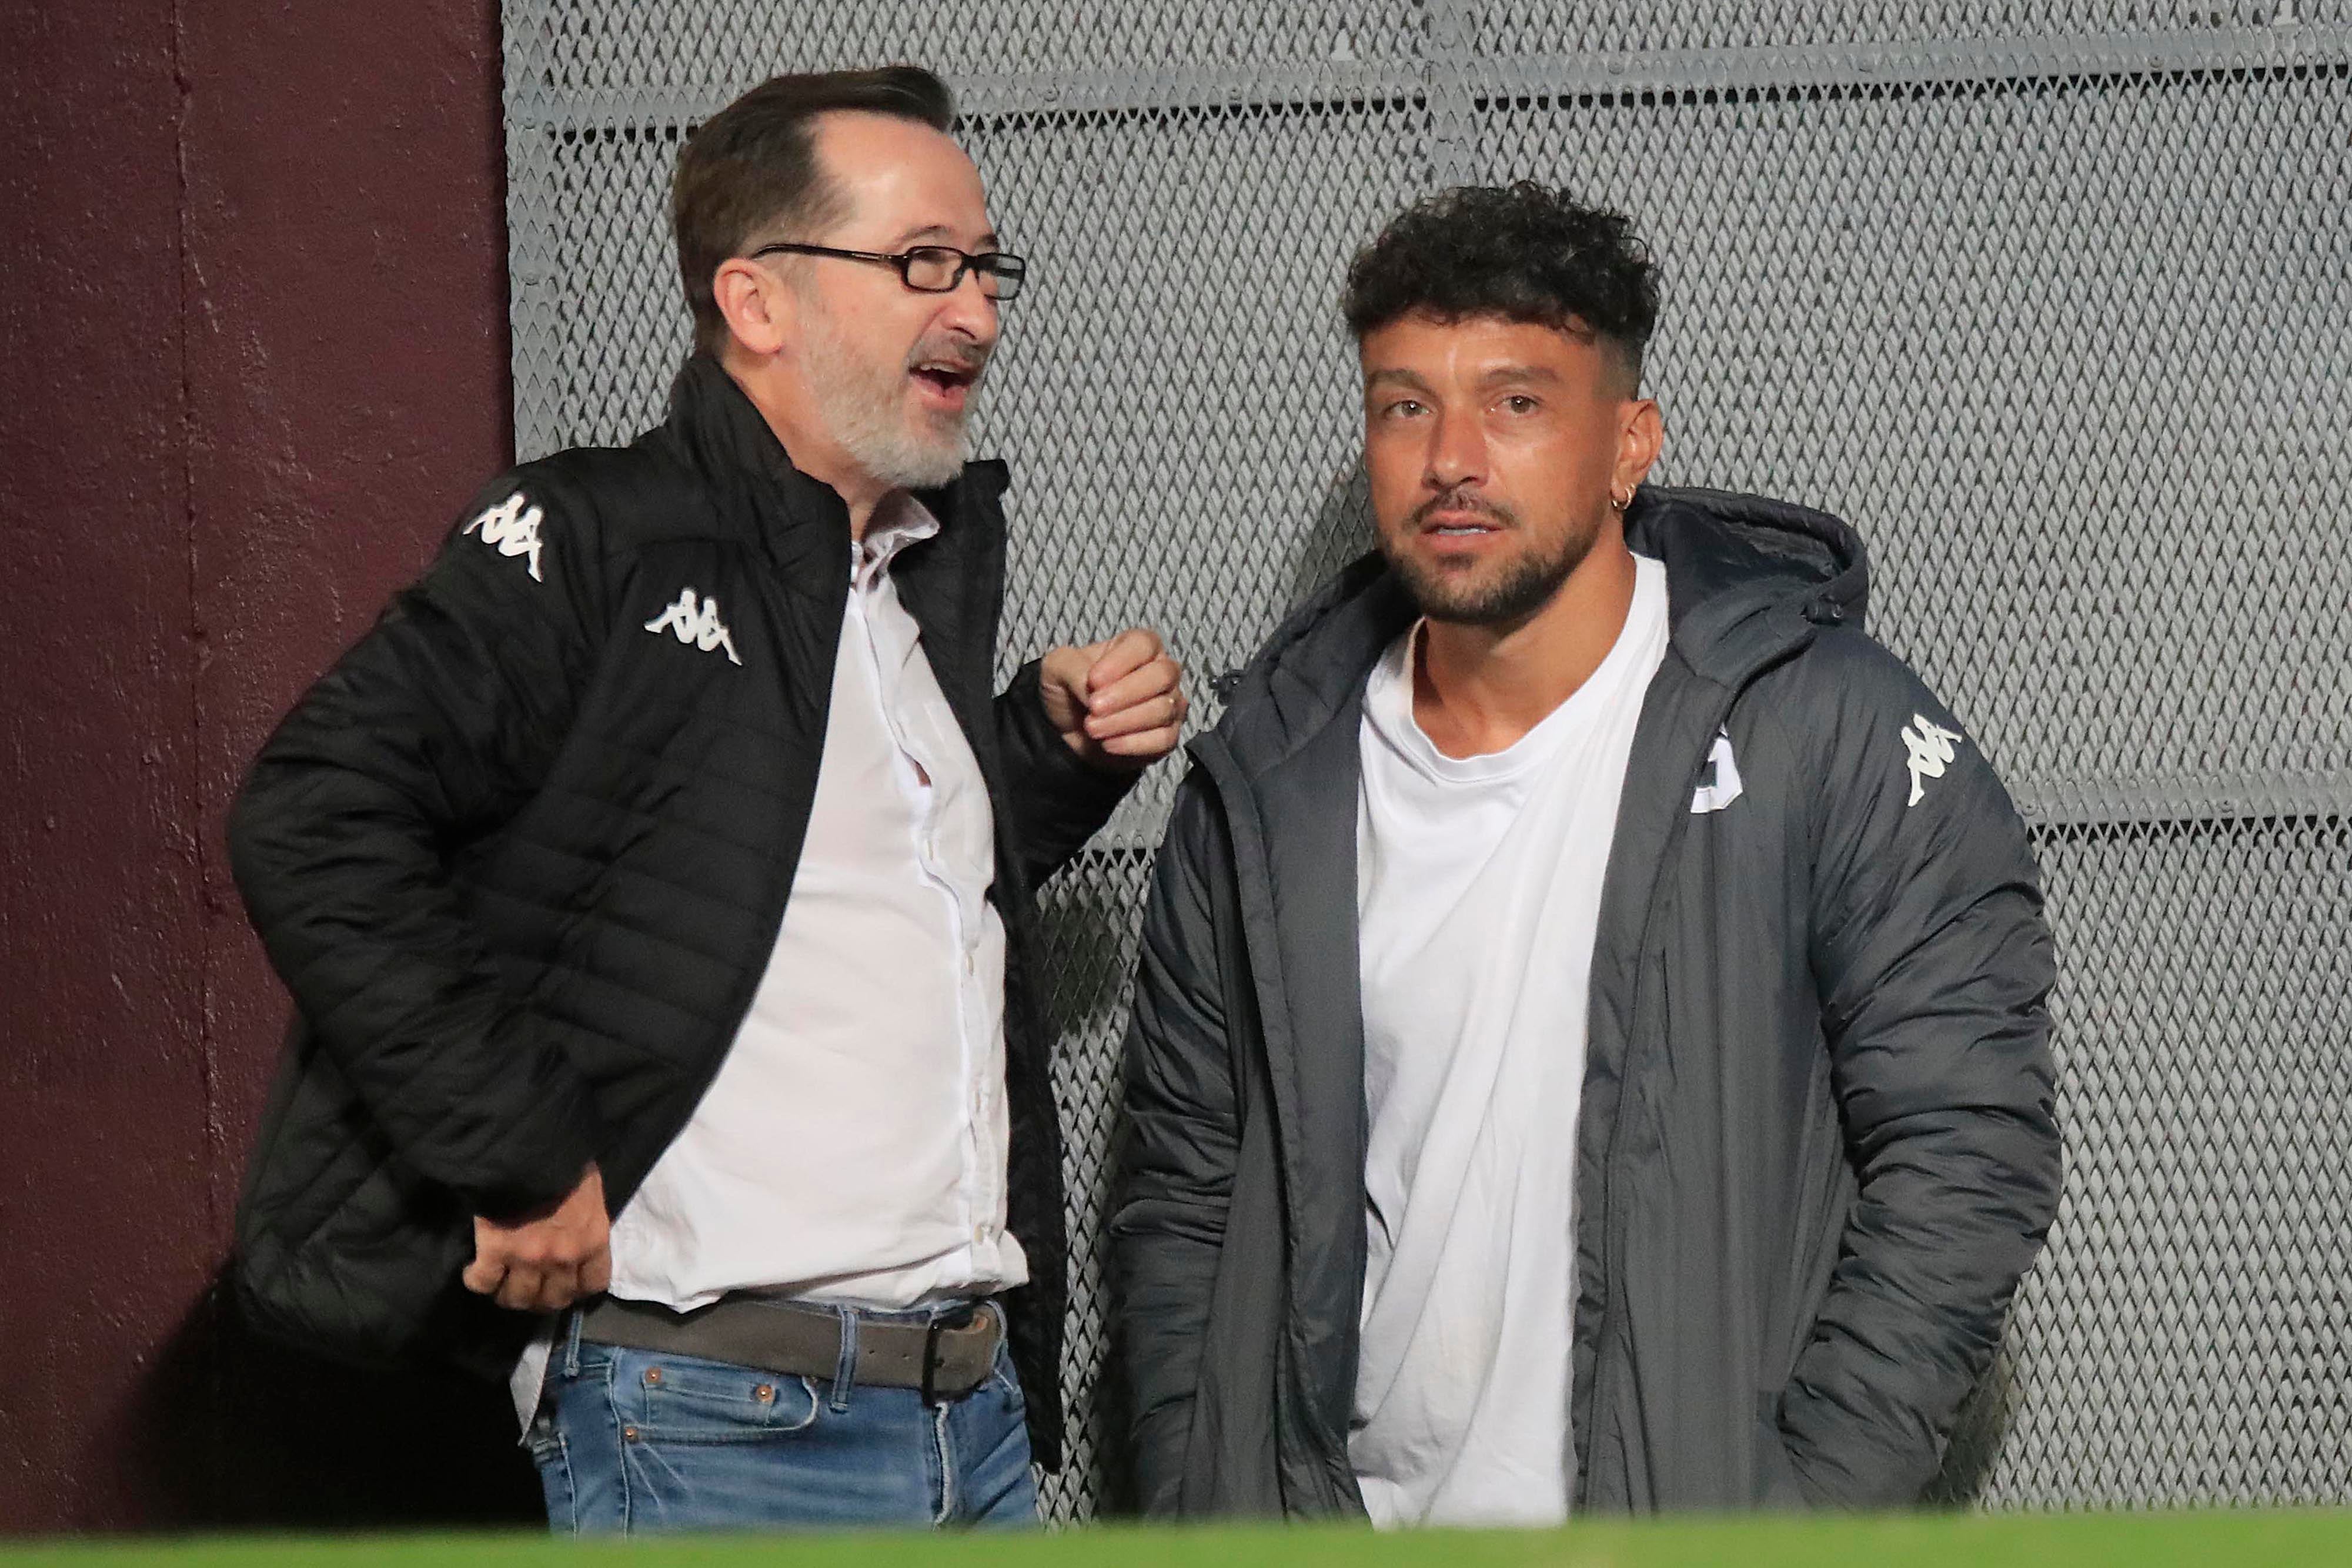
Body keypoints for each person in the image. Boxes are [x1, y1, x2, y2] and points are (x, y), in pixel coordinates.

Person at [228, 65, 1187, 1533]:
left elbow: (811, 890)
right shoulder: (595, 535)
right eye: (923, 263)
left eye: (985, 267)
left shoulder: (899, 588)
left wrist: (1044, 760)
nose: (978, 311)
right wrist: (524, 1146)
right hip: (720, 1431)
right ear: (757, 302)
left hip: (972, 1422)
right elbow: (312, 811)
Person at [1111, 182, 2060, 1523]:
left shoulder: (1825, 724)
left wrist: (1799, 1520)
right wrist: (1198, 1510)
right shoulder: (1268, 777)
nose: (1449, 456)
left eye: (1514, 403)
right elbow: (1183, 1193)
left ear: (1627, 444)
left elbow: (1965, 1154)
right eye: (1402, 404)